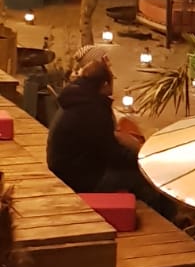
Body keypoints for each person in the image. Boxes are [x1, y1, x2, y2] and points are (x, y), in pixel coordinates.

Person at [46, 51, 175, 220]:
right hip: (79, 178)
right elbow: (111, 154)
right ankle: (165, 220)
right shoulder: (94, 110)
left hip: (65, 168)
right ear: (105, 84)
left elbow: (99, 143)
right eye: (112, 79)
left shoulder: (77, 98)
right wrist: (142, 159)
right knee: (142, 179)